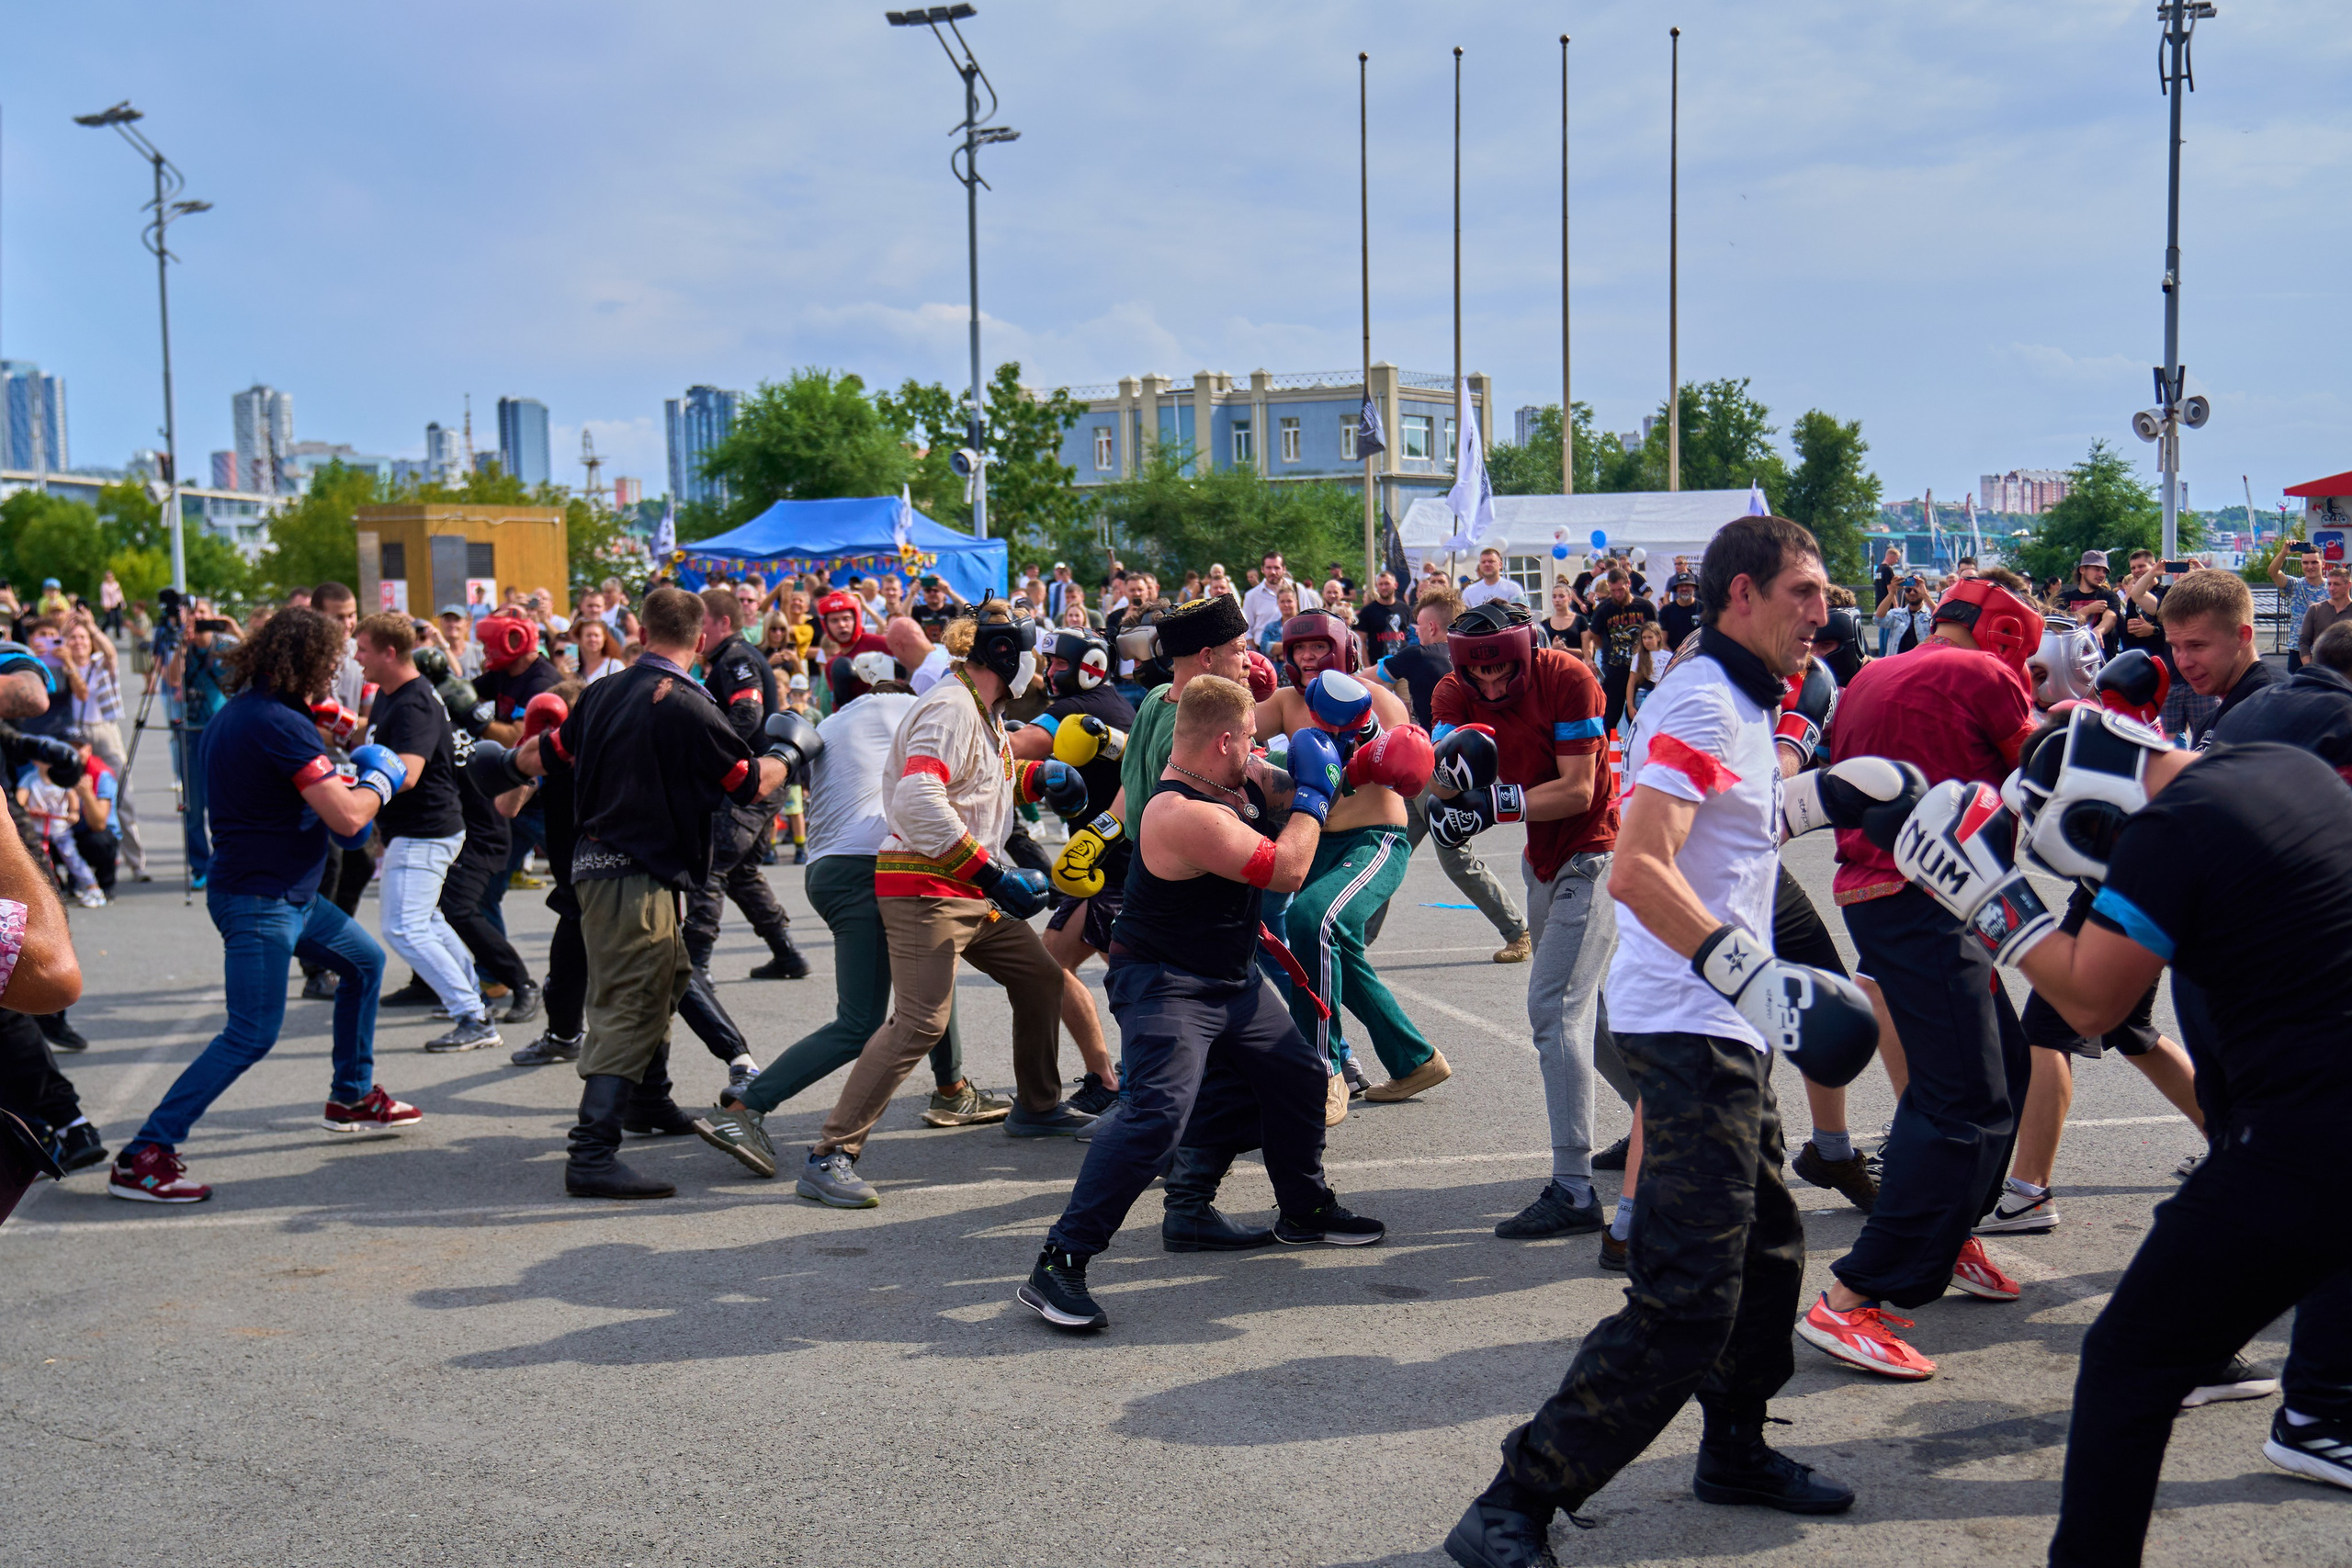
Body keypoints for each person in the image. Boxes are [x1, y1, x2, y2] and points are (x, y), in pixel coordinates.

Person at [1442, 515, 1871, 1568]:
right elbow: (1637, 868)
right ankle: (1513, 1501)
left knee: (1770, 1252)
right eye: (1803, 592)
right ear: (1740, 597)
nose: (1824, 612)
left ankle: (1733, 1449)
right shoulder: (1703, 699)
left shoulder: (1737, 702)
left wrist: (1844, 796)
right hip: (1688, 1029)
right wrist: (1752, 975)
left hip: (1722, 1023)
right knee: (1686, 1294)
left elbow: (1730, 833)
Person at [1883, 709, 2352, 1556]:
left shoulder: (2172, 828)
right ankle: (2318, 1411)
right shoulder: (2285, 767)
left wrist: (1993, 896)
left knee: (2128, 1363)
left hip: (2306, 1133)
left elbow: (2090, 1002)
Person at [1021, 676, 1385, 1332]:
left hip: (1229, 976)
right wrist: (1311, 790)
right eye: (1250, 739)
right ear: (1224, 740)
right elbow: (1289, 866)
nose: (1257, 750)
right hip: (1165, 982)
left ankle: (1303, 1211)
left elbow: (1326, 789)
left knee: (1298, 1075)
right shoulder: (1182, 810)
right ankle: (1060, 1260)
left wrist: (1363, 753)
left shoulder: (1231, 779)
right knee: (1155, 1113)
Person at [1797, 569, 2042, 1380]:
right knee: (1960, 1094)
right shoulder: (1985, 672)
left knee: (2001, 1067)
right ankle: (1856, 1295)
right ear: (2008, 632)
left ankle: (1947, 1233)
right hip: (1928, 898)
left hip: (1880, 891)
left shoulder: (1872, 672)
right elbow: (2042, 781)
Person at [490, 587, 798, 1198]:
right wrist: (790, 753)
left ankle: (649, 1101)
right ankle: (592, 1151)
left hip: (602, 863)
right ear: (701, 638)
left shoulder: (602, 690)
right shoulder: (683, 700)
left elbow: (548, 755)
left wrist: (502, 763)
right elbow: (744, 782)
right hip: (636, 868)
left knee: (667, 974)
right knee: (632, 999)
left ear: (645, 627)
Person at [109, 610, 418, 1203]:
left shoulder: (254, 714)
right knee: (251, 1032)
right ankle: (143, 1153)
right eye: (330, 660)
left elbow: (334, 823)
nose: (339, 669)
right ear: (301, 661)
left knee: (364, 962)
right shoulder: (278, 724)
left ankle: (351, 1095)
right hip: (261, 899)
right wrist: (378, 777)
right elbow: (351, 820)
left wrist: (339, 751)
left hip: (286, 895)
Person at [795, 602, 1095, 1210]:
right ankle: (831, 1152)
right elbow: (917, 797)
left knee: (1041, 975)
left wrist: (1039, 778)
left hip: (962, 890)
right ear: (1005, 654)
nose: (1037, 667)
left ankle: (1037, 1107)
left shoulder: (979, 707)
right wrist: (990, 870)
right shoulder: (952, 706)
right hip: (925, 888)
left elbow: (976, 780)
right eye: (1030, 652)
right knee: (920, 1021)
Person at [694, 679, 1002, 1177]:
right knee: (860, 1022)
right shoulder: (928, 708)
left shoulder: (832, 721)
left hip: (827, 869)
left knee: (929, 977)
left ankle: (952, 1090)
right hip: (881, 864)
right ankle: (743, 1111)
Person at [1428, 598, 1625, 1238]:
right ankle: (1662, 1121)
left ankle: (1573, 1189)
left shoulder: (1569, 677)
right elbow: (1444, 783)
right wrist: (1439, 788)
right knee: (1587, 1019)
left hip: (1594, 853)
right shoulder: (1452, 690)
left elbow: (1577, 788)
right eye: (1477, 674)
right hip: (1540, 860)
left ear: (1527, 650)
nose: (1489, 684)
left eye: (1501, 672)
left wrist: (1489, 805)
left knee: (1555, 1010)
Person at [1256, 608, 1442, 1118]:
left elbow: (1407, 758)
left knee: (1307, 921)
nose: (1308, 658)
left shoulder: (1375, 700)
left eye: (1318, 648)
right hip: (1316, 849)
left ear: (1341, 650)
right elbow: (1234, 735)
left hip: (1372, 842)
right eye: (1298, 650)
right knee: (1337, 955)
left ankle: (1324, 1070)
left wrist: (1357, 755)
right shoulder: (1287, 703)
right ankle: (1415, 1060)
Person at [356, 613, 501, 1052]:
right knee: (427, 920)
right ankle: (472, 1000)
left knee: (404, 927)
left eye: (363, 649)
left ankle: (472, 1017)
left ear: (389, 652)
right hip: (413, 828)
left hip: (427, 829)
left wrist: (357, 794)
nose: (357, 657)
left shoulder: (415, 701)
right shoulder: (389, 693)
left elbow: (410, 772)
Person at [1368, 590, 1530, 963]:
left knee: (1446, 859)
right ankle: (1354, 942)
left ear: (1430, 625)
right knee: (1387, 851)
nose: (1416, 632)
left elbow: (1361, 680)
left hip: (1437, 772)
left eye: (1418, 625)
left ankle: (1517, 931)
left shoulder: (1419, 653)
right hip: (1437, 769)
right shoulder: (1466, 665)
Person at [1013, 627, 1133, 1111]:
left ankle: (1121, 1079)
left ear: (1088, 666)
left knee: (1070, 970)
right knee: (1107, 973)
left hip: (1110, 866)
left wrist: (967, 719)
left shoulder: (1077, 710)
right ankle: (1114, 1076)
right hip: (1107, 861)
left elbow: (1019, 746)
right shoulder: (1115, 703)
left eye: (1059, 665)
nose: (1050, 673)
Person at [684, 589, 808, 989]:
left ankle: (695, 966)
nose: (696, 632)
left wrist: (714, 758)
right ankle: (786, 952)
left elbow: (747, 712)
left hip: (750, 780)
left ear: (722, 623)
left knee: (711, 866)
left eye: (702, 622)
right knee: (740, 873)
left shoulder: (736, 658)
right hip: (761, 778)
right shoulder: (731, 657)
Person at [2161, 568, 2274, 749]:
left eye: (2197, 646)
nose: (2183, 663)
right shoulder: (2211, 720)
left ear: (2242, 636)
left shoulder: (2273, 705)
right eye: (2174, 646)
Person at [1589, 569, 1657, 736]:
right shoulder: (1605, 608)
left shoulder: (1645, 607)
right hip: (1615, 667)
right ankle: (1607, 753)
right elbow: (1593, 635)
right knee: (1611, 714)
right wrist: (1605, 649)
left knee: (1638, 713)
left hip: (1641, 668)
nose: (1617, 594)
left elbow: (1656, 634)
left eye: (1621, 589)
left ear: (1629, 584)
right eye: (1613, 591)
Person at [2267, 539, 2330, 674]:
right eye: (2305, 563)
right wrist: (2284, 552)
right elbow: (2273, 572)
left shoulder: (2332, 587)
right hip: (2298, 650)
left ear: (2323, 564)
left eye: (2314, 562)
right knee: (2296, 692)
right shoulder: (2295, 585)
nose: (2310, 566)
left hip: (2326, 650)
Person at [2058, 549, 2124, 658]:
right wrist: (2087, 610)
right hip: (2070, 661)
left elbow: (2111, 618)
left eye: (2104, 571)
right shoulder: (2064, 598)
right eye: (2097, 569)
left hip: (2102, 663)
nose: (2102, 575)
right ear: (2082, 570)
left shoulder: (2110, 596)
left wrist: (2098, 631)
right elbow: (2061, 625)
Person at [2296, 562, 2352, 665]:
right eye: (2329, 584)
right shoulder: (2315, 609)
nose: (2331, 588)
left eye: (2336, 584)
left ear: (2348, 585)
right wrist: (2309, 666)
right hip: (2321, 668)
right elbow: (2304, 641)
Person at [1354, 571, 1410, 663]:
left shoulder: (1405, 609)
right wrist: (1367, 668)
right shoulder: (1367, 611)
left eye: (1387, 584)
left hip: (1403, 666)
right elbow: (1361, 641)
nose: (1383, 587)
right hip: (1377, 667)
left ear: (1395, 585)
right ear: (1377, 587)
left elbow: (1409, 637)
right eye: (1381, 584)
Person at [1241, 551, 1295, 643]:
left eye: (1276, 568)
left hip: (1295, 649)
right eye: (1269, 568)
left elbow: (1307, 618)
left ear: (1284, 569)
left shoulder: (1297, 590)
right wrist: (1254, 653)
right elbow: (1246, 629)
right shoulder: (1251, 596)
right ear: (1262, 569)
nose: (1273, 572)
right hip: (1263, 652)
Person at [1622, 622, 1668, 719]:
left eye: (1650, 637)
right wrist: (1630, 706)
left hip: (1665, 694)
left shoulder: (1668, 656)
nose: (1647, 641)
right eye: (1644, 638)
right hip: (1646, 694)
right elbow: (1631, 683)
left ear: (1658, 637)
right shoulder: (1638, 657)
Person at [1538, 579, 1589, 660]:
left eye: (1561, 596)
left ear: (1570, 599)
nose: (1557, 600)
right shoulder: (1544, 624)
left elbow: (1587, 652)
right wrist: (1552, 649)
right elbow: (1540, 653)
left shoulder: (1580, 621)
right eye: (1554, 597)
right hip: (1554, 669)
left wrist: (1565, 650)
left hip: (1575, 666)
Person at [1462, 548, 1526, 611]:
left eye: (1491, 561)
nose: (1487, 564)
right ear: (1480, 566)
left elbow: (1521, 615)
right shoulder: (1469, 591)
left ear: (1500, 564)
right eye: (1483, 562)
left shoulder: (1513, 588)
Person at [1657, 572, 1702, 652]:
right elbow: (1662, 642)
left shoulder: (1704, 609)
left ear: (1694, 587)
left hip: (1698, 657)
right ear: (1676, 589)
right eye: (1681, 586)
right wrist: (1673, 658)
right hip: (1674, 658)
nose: (1684, 588)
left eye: (1687, 585)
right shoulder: (1666, 611)